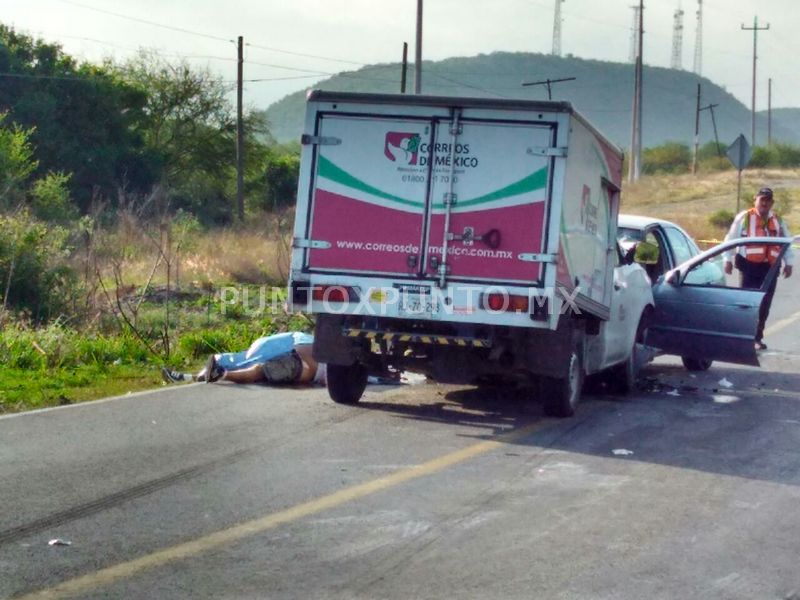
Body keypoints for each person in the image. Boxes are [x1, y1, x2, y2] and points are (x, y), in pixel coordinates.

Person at [723, 187, 793, 350]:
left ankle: (757, 338)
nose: (765, 203)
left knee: (764, 305)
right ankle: (742, 336)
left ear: (772, 203)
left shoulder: (778, 220)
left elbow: (786, 242)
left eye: (768, 200)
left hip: (770, 268)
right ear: (755, 200)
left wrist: (789, 263)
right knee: (746, 304)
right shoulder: (744, 217)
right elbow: (730, 239)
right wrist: (727, 259)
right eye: (762, 199)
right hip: (748, 266)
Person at [162, 331, 326, 386]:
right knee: (259, 369)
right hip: (306, 368)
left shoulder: (308, 339)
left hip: (302, 361)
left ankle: (209, 375)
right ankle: (209, 375)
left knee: (255, 366)